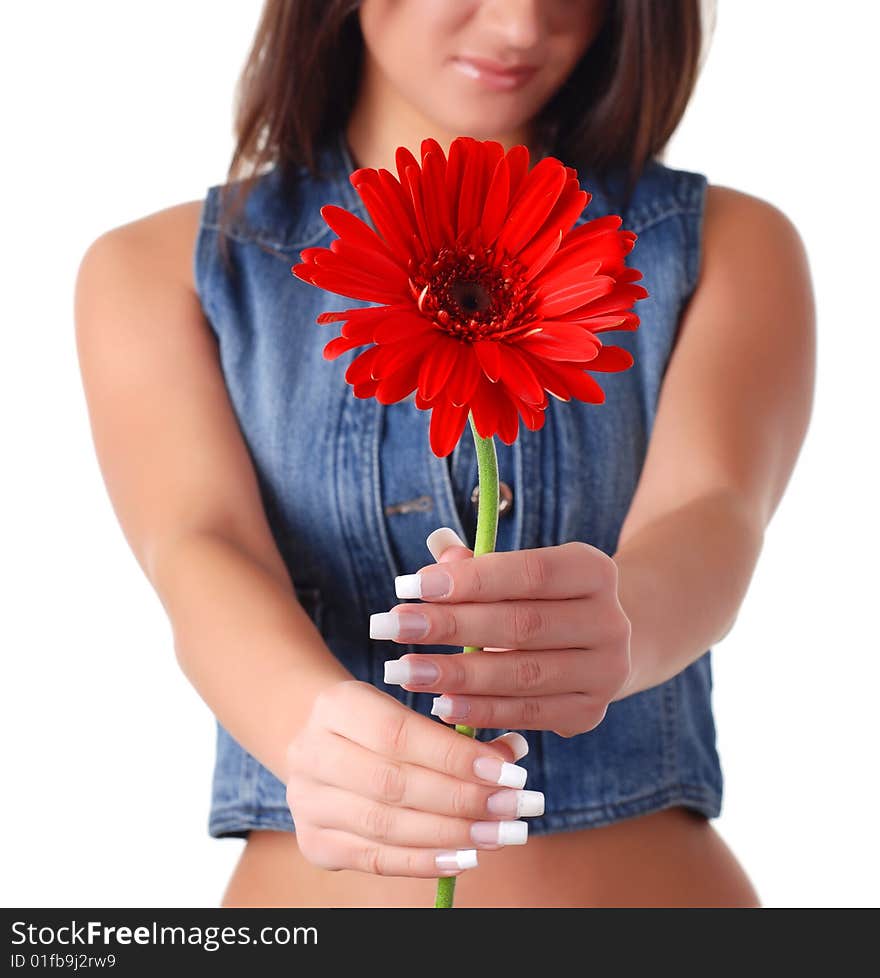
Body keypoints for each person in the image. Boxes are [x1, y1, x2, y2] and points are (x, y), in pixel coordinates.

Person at [74, 0, 815, 908]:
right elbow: (198, 549)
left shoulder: (723, 246)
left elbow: (714, 512)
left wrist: (627, 626)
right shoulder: (160, 272)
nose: (521, 27)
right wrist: (313, 733)